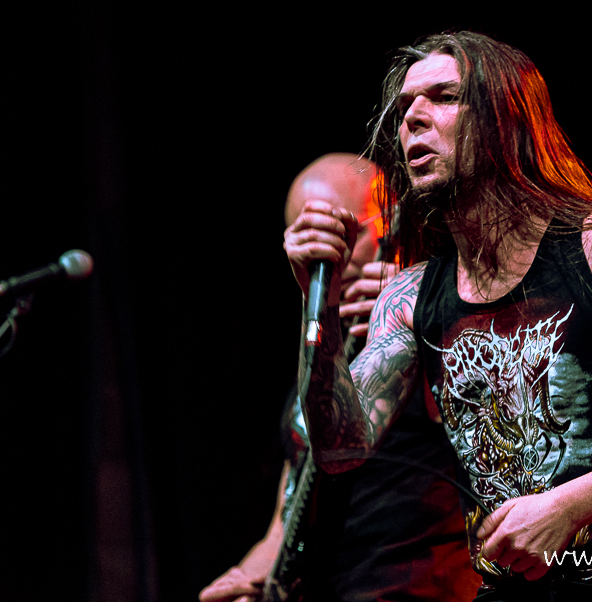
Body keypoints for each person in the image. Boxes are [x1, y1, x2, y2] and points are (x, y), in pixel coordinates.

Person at [284, 32, 592, 601]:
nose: (413, 119)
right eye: (404, 108)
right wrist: (318, 304)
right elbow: (339, 449)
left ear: (505, 121)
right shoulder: (409, 297)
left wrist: (566, 506)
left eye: (445, 96)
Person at [201, 153, 480, 602]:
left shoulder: (440, 316)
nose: (327, 252)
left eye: (345, 231)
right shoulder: (315, 358)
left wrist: (415, 314)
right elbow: (285, 523)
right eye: (308, 235)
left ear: (391, 223)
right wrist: (243, 579)